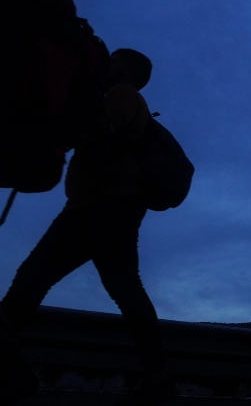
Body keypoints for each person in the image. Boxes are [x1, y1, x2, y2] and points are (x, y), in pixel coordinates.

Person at [1, 49, 175, 406]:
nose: (106, 64)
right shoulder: (123, 99)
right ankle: (158, 376)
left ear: (126, 69)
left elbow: (101, 134)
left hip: (96, 209)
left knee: (31, 279)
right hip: (113, 210)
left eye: (113, 60)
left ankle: (8, 368)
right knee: (126, 291)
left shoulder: (121, 95)